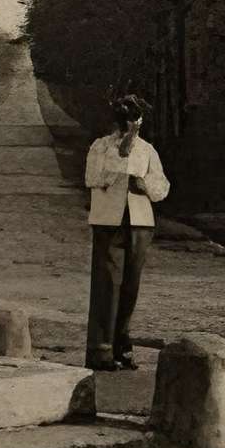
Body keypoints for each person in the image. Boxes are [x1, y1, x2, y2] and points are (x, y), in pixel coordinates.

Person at [84, 91, 168, 371]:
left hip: (140, 222)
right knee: (107, 286)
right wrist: (122, 157)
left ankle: (123, 348)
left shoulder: (147, 150)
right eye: (126, 118)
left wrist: (146, 185)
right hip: (109, 220)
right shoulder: (100, 147)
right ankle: (101, 351)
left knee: (130, 287)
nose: (130, 123)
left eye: (135, 118)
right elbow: (93, 178)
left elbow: (162, 187)